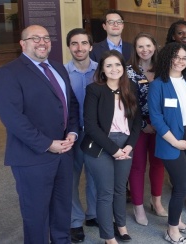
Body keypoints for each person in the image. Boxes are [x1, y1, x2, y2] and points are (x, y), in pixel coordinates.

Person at [0, 24, 79, 243]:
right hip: (32, 156)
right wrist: (47, 144)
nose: (42, 42)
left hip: (64, 153)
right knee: (36, 215)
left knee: (62, 210)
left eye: (46, 38)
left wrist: (72, 132)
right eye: (35, 38)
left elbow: (70, 105)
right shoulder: (8, 73)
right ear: (23, 44)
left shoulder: (59, 68)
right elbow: (13, 118)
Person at [149, 42, 186, 244]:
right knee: (182, 186)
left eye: (184, 58)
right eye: (176, 57)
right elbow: (156, 118)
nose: (181, 61)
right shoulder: (158, 85)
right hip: (170, 143)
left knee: (182, 184)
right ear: (167, 58)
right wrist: (175, 142)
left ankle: (178, 220)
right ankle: (172, 231)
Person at [82, 50, 142, 243]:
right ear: (102, 69)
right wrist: (114, 149)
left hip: (125, 145)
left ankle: (122, 227)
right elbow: (90, 125)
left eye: (117, 65)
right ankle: (108, 236)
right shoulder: (94, 90)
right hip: (101, 145)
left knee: (120, 190)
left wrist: (130, 146)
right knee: (106, 192)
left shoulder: (130, 87)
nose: (113, 69)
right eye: (108, 65)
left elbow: (136, 121)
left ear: (123, 68)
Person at [126, 32, 169, 226]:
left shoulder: (164, 70)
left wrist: (158, 124)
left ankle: (156, 201)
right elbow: (127, 103)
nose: (145, 50)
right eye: (140, 46)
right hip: (137, 124)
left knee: (158, 163)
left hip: (160, 124)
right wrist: (144, 125)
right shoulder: (128, 72)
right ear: (135, 49)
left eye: (148, 45)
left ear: (155, 46)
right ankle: (138, 206)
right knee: (138, 166)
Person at [64, 28, 98, 243]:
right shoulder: (61, 72)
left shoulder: (101, 70)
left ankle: (93, 213)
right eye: (74, 43)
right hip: (71, 133)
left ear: (91, 46)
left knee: (95, 175)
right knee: (72, 178)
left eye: (84, 43)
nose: (79, 48)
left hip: (96, 133)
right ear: (69, 47)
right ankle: (75, 220)